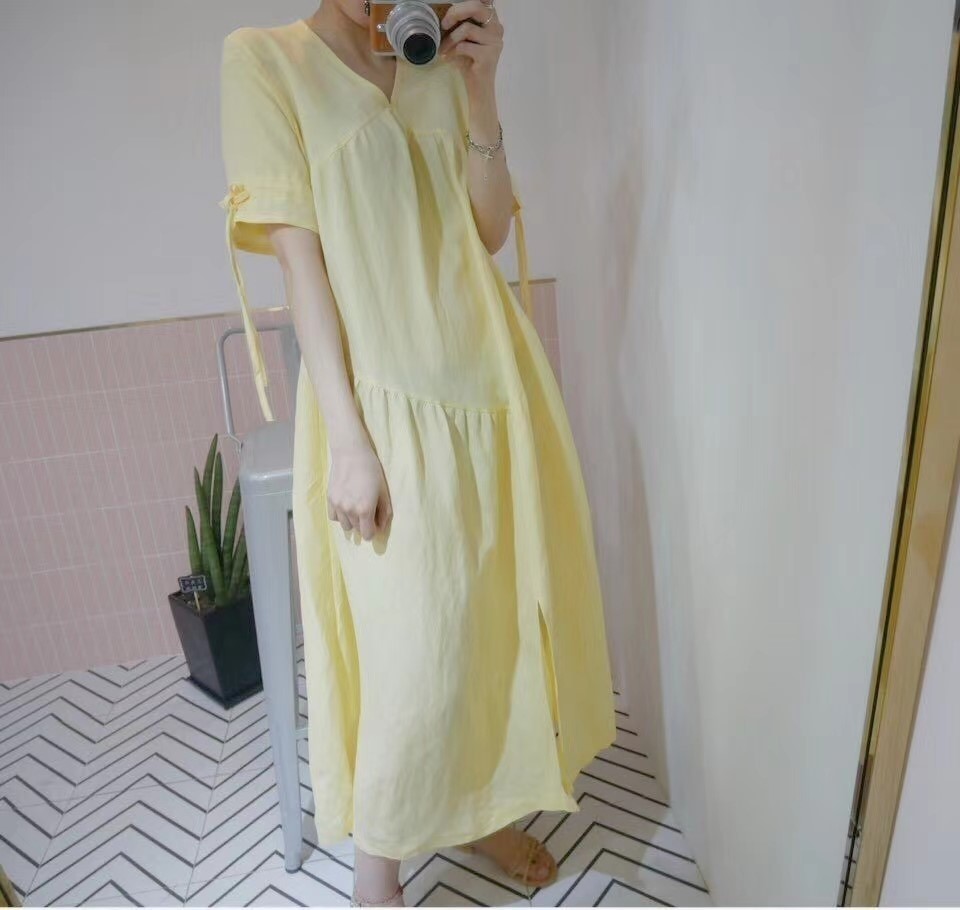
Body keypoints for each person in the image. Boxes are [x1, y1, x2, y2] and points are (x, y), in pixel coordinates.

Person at [218, 0, 617, 904]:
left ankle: (480, 812)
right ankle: (379, 879)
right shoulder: (265, 63)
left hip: (488, 382)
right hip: (380, 402)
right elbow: (301, 267)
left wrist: (483, 88)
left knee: (485, 624)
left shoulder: (435, 62)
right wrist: (348, 439)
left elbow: (487, 231)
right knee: (411, 653)